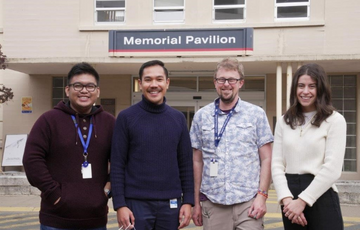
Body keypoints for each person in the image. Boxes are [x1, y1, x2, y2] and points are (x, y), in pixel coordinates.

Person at [23, 62, 115, 230]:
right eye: (78, 85)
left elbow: (121, 161)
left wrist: (107, 190)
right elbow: (32, 159)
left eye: (90, 86)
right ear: (67, 90)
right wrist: (54, 194)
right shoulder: (49, 120)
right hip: (55, 220)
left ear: (98, 91)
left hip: (96, 220)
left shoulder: (109, 122)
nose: (84, 90)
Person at [190, 58, 274, 230]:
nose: (226, 84)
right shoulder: (201, 116)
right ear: (215, 82)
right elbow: (197, 161)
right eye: (221, 79)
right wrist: (195, 203)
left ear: (240, 83)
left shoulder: (256, 114)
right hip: (213, 204)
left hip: (248, 203)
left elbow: (267, 159)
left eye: (232, 80)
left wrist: (262, 196)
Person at [110, 60, 194, 230]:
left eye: (159, 79)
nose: (154, 85)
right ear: (140, 84)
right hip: (135, 204)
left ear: (167, 83)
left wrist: (188, 201)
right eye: (148, 80)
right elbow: (117, 164)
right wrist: (120, 204)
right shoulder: (126, 118)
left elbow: (185, 164)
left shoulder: (178, 119)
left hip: (171, 204)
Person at [271, 63, 346, 229]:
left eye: (312, 86)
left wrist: (303, 201)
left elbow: (332, 169)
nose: (305, 91)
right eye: (301, 86)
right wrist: (286, 200)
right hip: (290, 200)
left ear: (321, 89)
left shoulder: (334, 120)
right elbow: (276, 164)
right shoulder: (284, 121)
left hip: (321, 195)